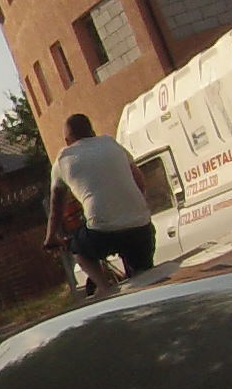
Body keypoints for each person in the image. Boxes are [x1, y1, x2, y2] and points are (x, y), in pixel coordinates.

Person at [43, 111, 156, 295]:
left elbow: (56, 208)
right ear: (93, 132)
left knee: (79, 248)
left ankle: (105, 289)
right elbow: (140, 184)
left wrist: (51, 237)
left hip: (102, 232)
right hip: (141, 226)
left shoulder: (63, 160)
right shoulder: (112, 144)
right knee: (146, 280)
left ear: (67, 141)